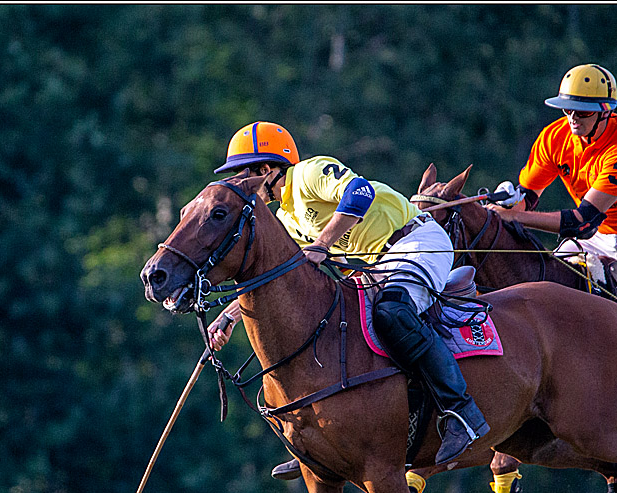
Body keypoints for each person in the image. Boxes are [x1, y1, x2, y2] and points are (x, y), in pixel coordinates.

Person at [205, 121, 490, 467]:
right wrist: (228, 317)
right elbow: (276, 279)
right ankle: (321, 435)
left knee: (392, 312)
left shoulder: (308, 174)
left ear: (266, 169)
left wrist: (322, 244)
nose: (238, 185)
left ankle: (461, 411)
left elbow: (361, 193)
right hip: (376, 265)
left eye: (240, 175)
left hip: (417, 241)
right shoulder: (284, 217)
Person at [491, 64, 617, 442]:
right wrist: (508, 203)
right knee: (546, 292)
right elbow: (529, 194)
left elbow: (581, 221)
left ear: (605, 111)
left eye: (581, 112)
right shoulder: (555, 137)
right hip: (603, 235)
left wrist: (515, 217)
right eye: (566, 109)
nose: (572, 118)